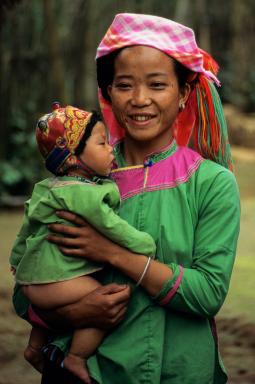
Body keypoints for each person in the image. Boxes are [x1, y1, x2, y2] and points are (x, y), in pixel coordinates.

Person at [12, 13, 240, 384]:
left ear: (183, 93)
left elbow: (208, 294)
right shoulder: (75, 179)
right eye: (124, 85)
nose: (139, 99)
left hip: (179, 373)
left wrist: (113, 254)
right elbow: (28, 287)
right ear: (107, 93)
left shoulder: (211, 183)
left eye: (156, 84)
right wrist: (77, 313)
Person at [10, 103, 156, 384]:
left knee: (76, 300)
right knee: (107, 300)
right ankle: (76, 357)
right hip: (55, 281)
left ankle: (34, 347)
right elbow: (112, 227)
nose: (111, 149)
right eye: (102, 143)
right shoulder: (85, 195)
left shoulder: (48, 187)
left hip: (32, 279)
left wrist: (17, 262)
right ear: (73, 158)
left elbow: (27, 230)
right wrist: (143, 243)